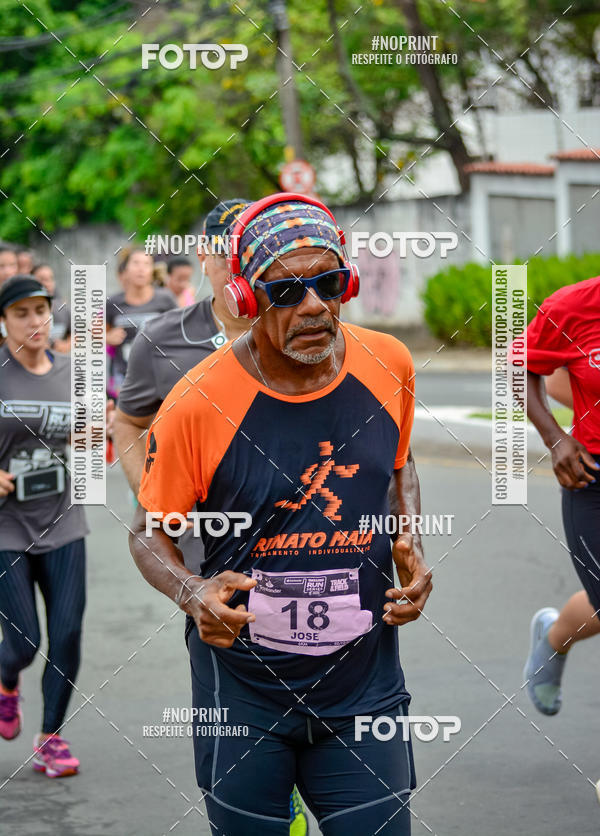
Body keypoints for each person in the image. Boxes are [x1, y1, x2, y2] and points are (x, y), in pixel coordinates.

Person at [130, 194, 432, 835]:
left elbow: (399, 466)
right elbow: (147, 532)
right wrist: (192, 591)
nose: (315, 305)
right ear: (245, 298)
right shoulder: (197, 402)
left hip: (364, 688)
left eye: (328, 284)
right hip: (243, 693)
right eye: (287, 291)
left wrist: (411, 542)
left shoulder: (390, 365)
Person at [113, 200, 310, 834]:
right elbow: (127, 421)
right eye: (229, 247)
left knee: (317, 651)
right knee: (226, 659)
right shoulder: (161, 341)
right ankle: (252, 797)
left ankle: (305, 776)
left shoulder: (297, 322)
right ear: (205, 256)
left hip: (304, 534)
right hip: (210, 550)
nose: (239, 259)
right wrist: (160, 496)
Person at [0, 275, 87, 776]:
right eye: (21, 313)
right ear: (5, 321)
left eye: (41, 310)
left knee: (69, 633)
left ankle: (50, 736)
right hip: (5, 527)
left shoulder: (75, 372)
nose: (35, 322)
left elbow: (92, 442)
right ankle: (7, 677)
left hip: (63, 519)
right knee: (24, 642)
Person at [523, 276, 600, 718]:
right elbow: (523, 367)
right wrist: (555, 438)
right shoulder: (573, 307)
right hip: (594, 480)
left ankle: (554, 637)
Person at [106, 248, 176, 399]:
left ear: (152, 270)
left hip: (159, 375)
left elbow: (180, 334)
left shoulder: (165, 299)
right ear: (125, 269)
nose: (141, 269)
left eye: (146, 264)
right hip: (124, 379)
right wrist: (107, 337)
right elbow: (89, 335)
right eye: (136, 263)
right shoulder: (112, 303)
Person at [31, 263, 71, 353]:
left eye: (50, 279)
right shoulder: (23, 311)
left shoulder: (62, 307)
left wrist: (66, 345)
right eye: (42, 279)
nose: (47, 283)